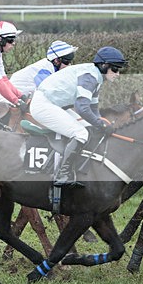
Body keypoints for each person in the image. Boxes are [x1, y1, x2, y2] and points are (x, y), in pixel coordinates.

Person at [29, 46, 128, 186]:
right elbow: (82, 108)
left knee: (89, 129)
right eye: (115, 69)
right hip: (43, 105)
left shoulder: (96, 78)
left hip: (55, 105)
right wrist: (100, 124)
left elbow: (93, 108)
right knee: (81, 133)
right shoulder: (90, 77)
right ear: (104, 65)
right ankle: (62, 174)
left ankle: (77, 170)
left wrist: (100, 123)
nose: (118, 74)